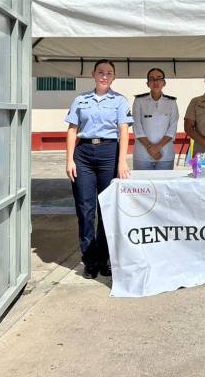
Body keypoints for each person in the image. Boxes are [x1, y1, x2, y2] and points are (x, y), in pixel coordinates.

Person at [65, 59, 133, 279]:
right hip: (83, 155)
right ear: (93, 74)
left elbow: (124, 132)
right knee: (85, 209)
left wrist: (122, 161)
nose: (105, 75)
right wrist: (69, 160)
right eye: (101, 72)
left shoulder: (120, 101)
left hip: (108, 154)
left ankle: (105, 258)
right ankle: (90, 260)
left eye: (109, 73)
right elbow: (72, 130)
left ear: (114, 77)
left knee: (107, 208)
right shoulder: (80, 100)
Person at [132, 68, 179, 170]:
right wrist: (150, 148)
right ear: (148, 83)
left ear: (164, 83)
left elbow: (173, 127)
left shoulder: (171, 102)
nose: (155, 82)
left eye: (159, 78)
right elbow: (137, 127)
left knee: (164, 185)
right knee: (143, 185)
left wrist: (158, 147)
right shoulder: (139, 101)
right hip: (142, 155)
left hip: (165, 154)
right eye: (152, 79)